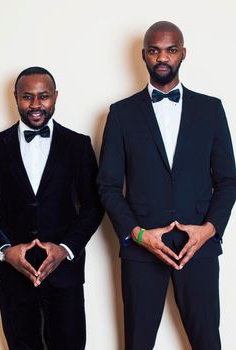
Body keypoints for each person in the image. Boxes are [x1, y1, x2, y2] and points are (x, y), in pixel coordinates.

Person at [97, 21, 236, 350]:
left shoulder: (211, 109)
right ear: (143, 54)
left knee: (207, 342)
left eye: (171, 50)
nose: (163, 57)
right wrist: (138, 234)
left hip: (198, 248)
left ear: (183, 54)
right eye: (154, 50)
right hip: (142, 252)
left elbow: (228, 180)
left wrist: (209, 229)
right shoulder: (121, 113)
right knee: (138, 344)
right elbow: (107, 186)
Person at [0, 66, 103, 350]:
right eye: (27, 97)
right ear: (15, 97)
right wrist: (5, 252)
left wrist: (65, 249)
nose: (36, 104)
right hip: (13, 275)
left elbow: (93, 207)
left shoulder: (78, 145)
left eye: (43, 96)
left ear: (55, 97)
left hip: (65, 274)